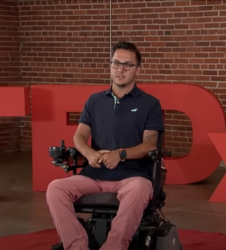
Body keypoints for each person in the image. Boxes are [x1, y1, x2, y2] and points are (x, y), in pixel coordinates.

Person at [46, 41, 165, 250]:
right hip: (94, 174)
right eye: (116, 63)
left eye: (128, 65)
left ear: (138, 68)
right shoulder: (94, 101)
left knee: (139, 188)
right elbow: (79, 136)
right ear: (110, 65)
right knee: (55, 188)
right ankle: (77, 246)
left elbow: (150, 144)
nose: (121, 70)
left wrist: (120, 154)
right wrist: (90, 154)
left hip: (133, 176)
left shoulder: (150, 103)